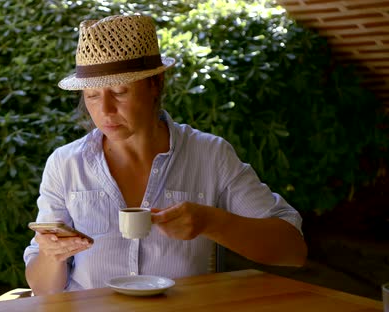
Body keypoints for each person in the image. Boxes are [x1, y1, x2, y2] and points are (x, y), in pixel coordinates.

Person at [23, 14, 307, 295]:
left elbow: (292, 250)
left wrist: (212, 222)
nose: (105, 110)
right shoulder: (65, 164)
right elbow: (41, 287)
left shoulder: (210, 156)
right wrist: (52, 254)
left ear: (155, 83)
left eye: (119, 91)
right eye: (92, 96)